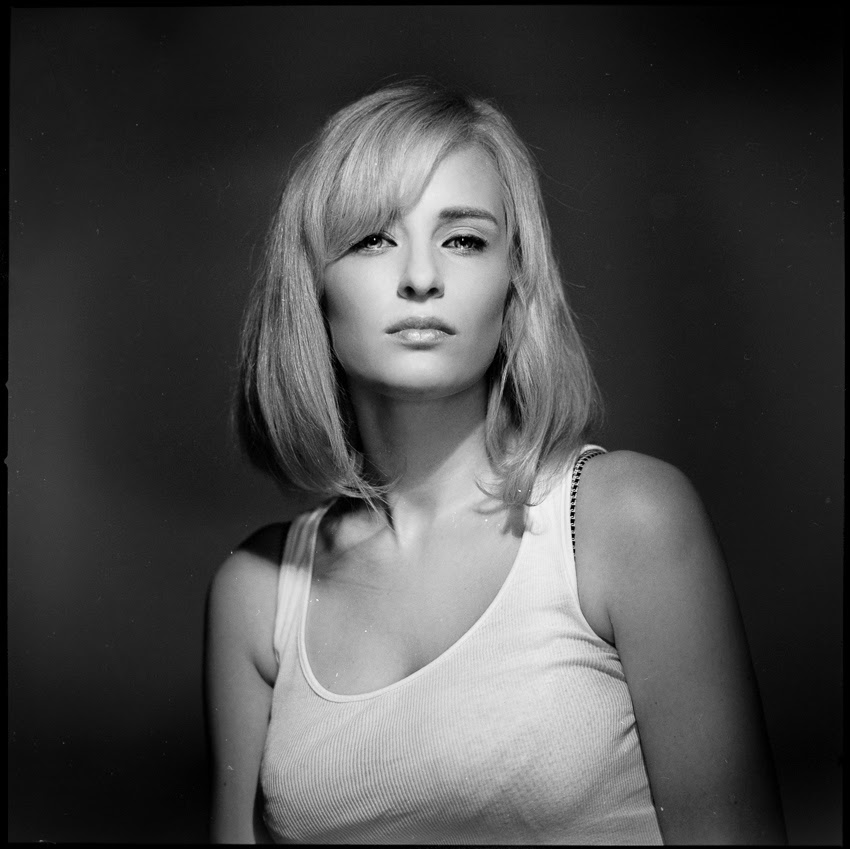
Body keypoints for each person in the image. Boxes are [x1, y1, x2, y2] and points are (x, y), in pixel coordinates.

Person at [204, 79, 787, 844]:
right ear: (312, 284)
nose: (421, 278)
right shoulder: (257, 594)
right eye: (373, 238)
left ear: (514, 281)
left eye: (464, 239)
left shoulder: (624, 521)